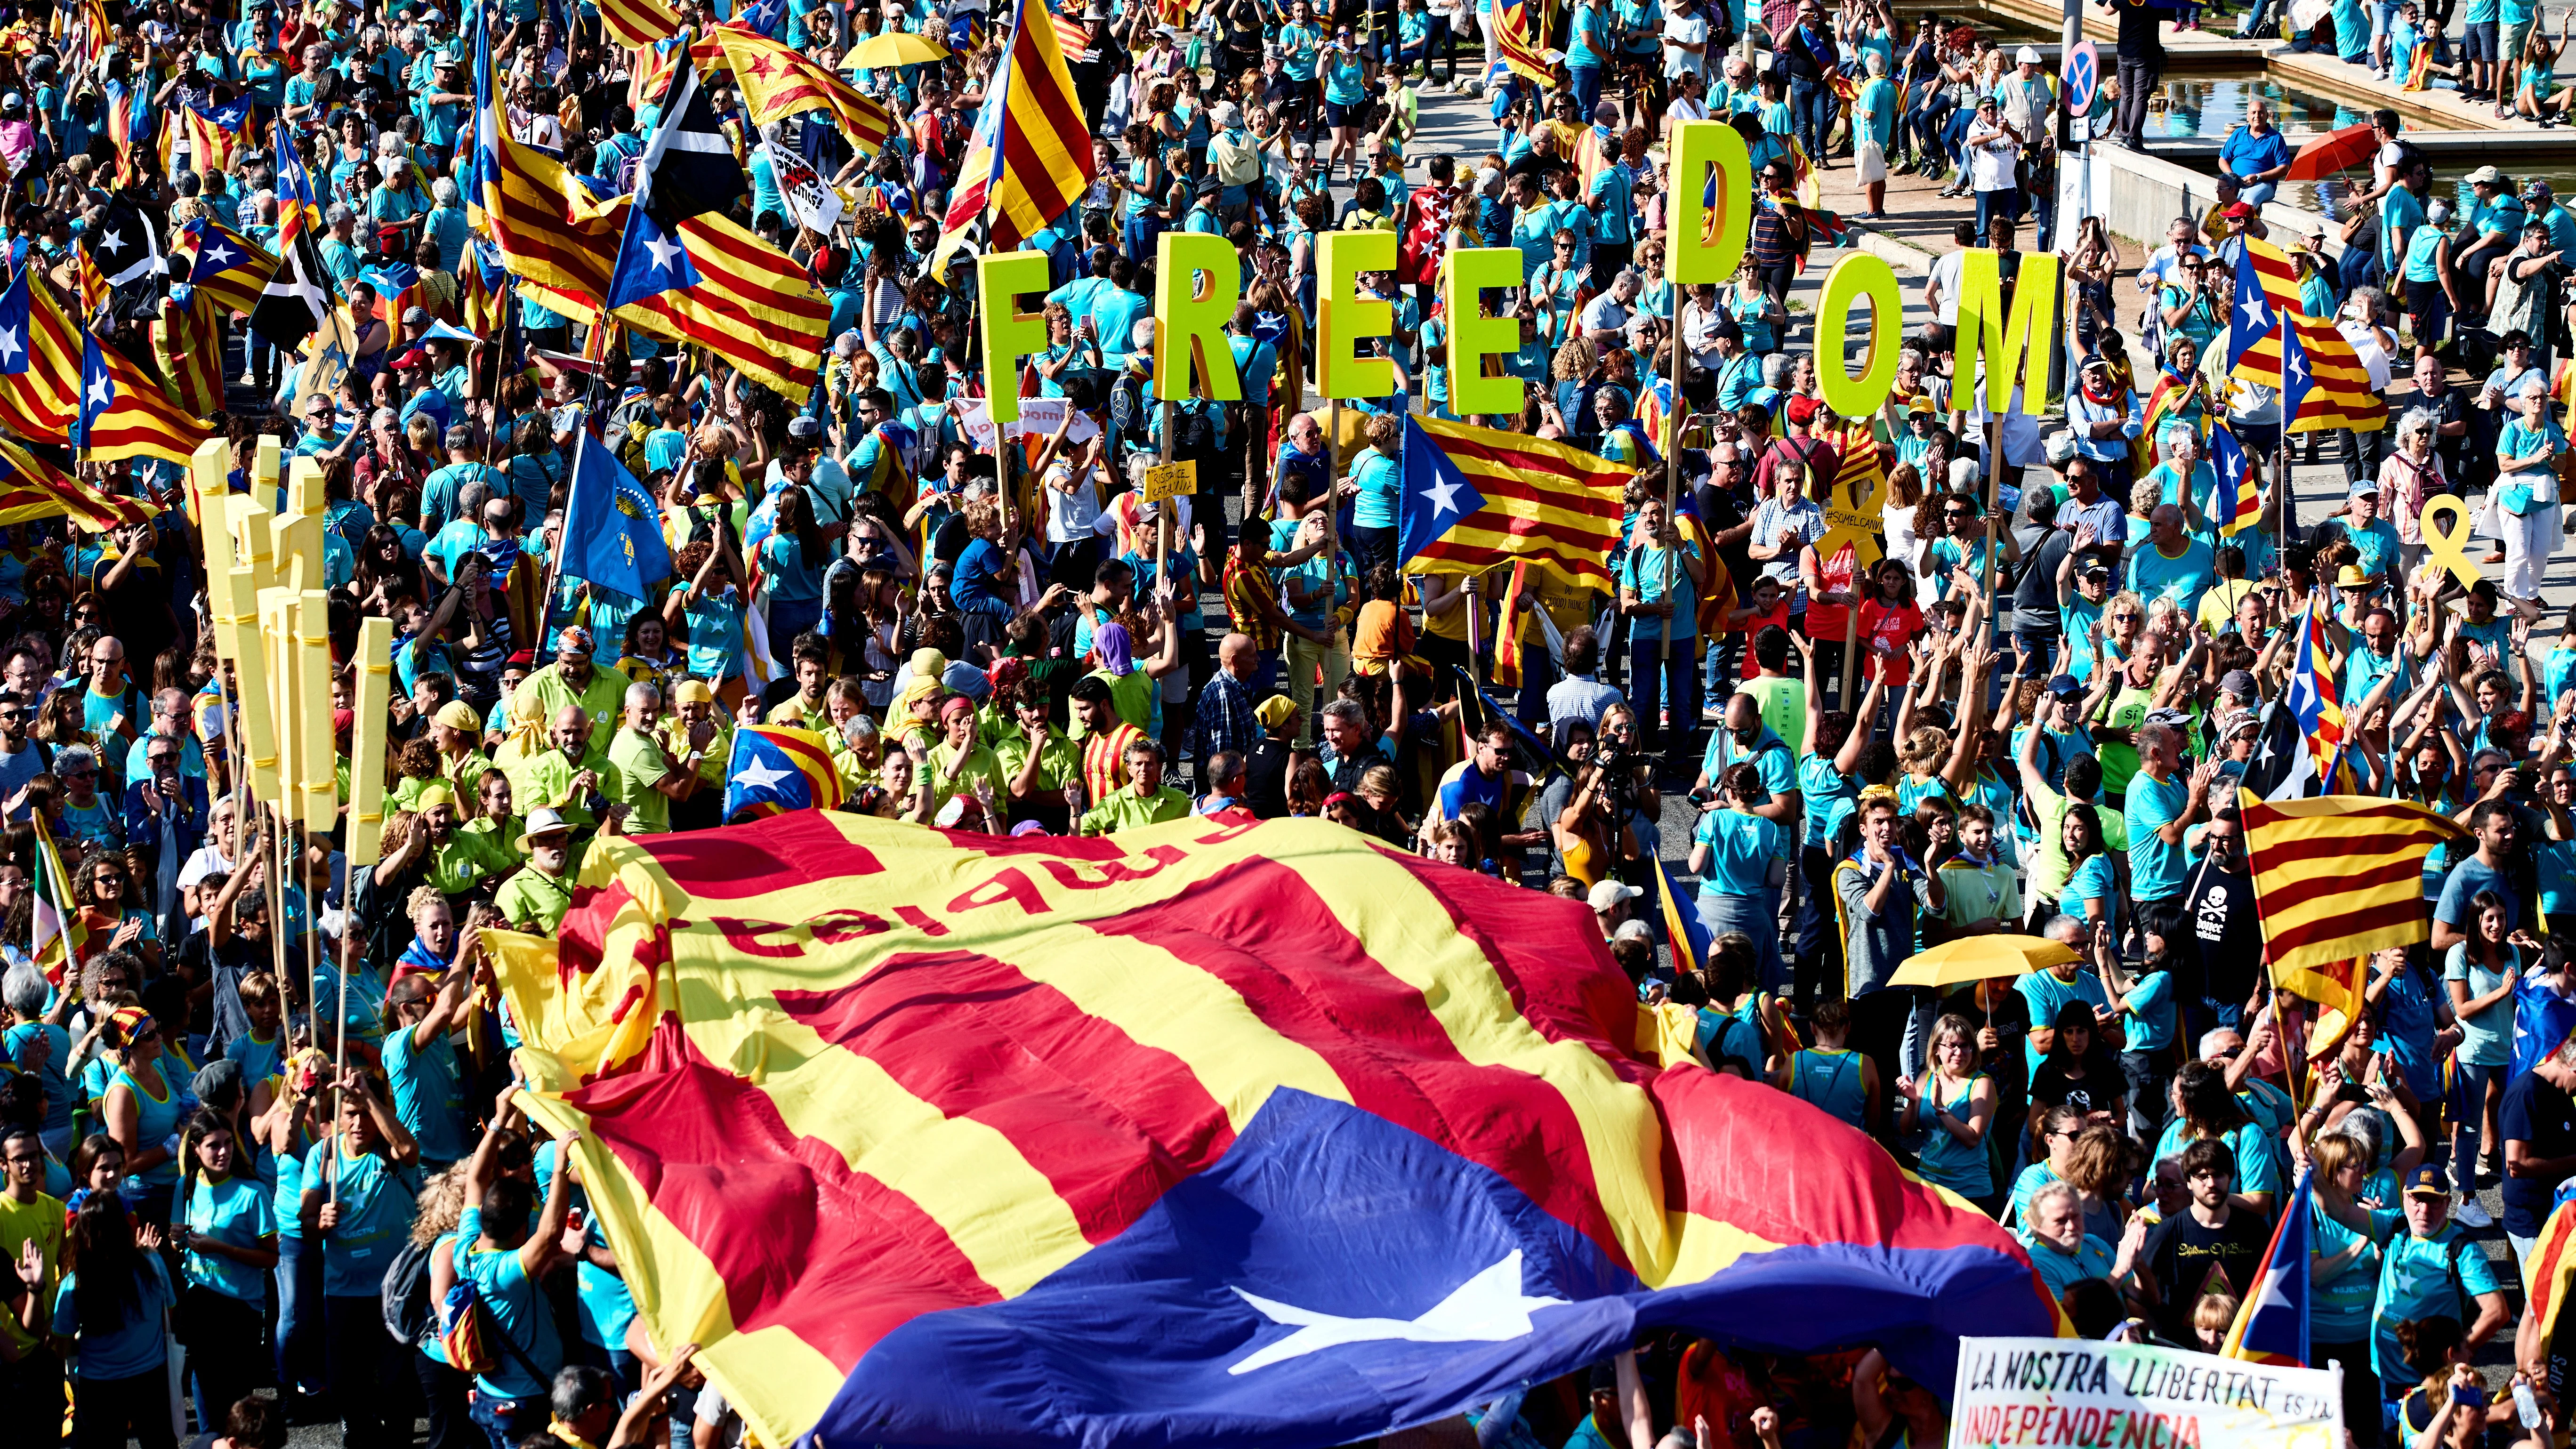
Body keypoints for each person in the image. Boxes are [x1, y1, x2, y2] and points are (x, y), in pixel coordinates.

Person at [50, 1192, 176, 1449]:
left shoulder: (74, 1284)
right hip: (151, 1378)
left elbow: (61, 1343)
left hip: (99, 1387)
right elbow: (169, 1311)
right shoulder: (152, 1264)